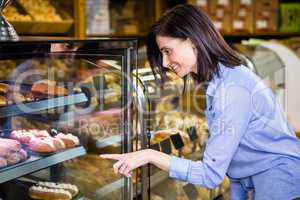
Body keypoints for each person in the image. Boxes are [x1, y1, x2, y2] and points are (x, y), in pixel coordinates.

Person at [101, 4, 300, 200]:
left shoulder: (232, 89)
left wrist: (149, 155)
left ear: (193, 41)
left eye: (168, 51)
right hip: (254, 179)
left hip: (278, 181)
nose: (164, 62)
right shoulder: (220, 77)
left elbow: (210, 175)